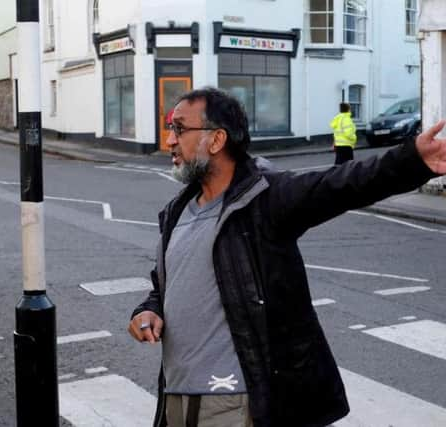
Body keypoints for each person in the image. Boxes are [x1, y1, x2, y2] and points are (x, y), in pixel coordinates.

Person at [128, 87, 446, 427]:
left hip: (232, 400)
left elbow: (340, 183)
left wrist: (412, 160)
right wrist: (149, 308)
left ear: (217, 139)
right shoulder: (177, 211)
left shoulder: (265, 200)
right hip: (175, 396)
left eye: (179, 128)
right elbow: (168, 284)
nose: (170, 140)